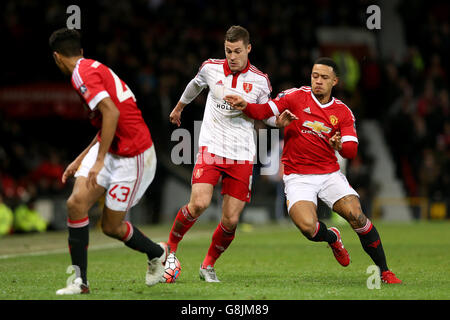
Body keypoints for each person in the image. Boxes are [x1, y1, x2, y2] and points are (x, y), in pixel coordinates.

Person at [225, 57, 402, 284]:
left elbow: (351, 150)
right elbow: (264, 111)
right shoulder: (295, 96)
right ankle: (332, 238)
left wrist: (340, 145)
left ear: (335, 81)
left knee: (358, 217)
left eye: (324, 78)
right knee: (308, 228)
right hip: (297, 176)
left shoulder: (343, 112)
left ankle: (385, 271)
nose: (318, 81)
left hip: (329, 175)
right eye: (315, 76)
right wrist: (245, 106)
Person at [167, 25, 292, 282]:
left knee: (231, 220)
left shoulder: (260, 80)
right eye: (227, 51)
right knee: (199, 203)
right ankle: (170, 248)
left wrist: (278, 123)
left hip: (242, 154)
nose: (232, 56)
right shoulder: (210, 67)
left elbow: (265, 115)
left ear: (248, 49)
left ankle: (208, 265)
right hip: (211, 147)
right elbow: (195, 85)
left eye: (237, 51)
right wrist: (180, 107)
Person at [49, 28, 168, 295]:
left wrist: (99, 160)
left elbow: (111, 112)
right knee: (76, 204)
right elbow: (106, 119)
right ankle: (80, 282)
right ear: (80, 51)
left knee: (111, 227)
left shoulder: (81, 75)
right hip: (113, 146)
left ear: (57, 57)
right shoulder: (91, 67)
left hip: (133, 154)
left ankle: (157, 252)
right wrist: (82, 159)